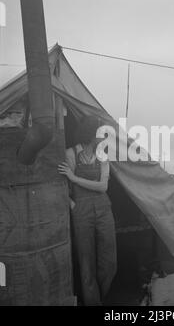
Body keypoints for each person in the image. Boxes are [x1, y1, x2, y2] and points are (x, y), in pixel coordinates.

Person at [58, 115, 117, 306]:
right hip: (81, 211)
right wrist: (72, 205)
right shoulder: (70, 154)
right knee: (86, 263)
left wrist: (74, 179)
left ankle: (102, 295)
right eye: (101, 135)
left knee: (109, 262)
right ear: (92, 135)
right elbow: (60, 186)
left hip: (103, 208)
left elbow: (103, 187)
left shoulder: (103, 156)